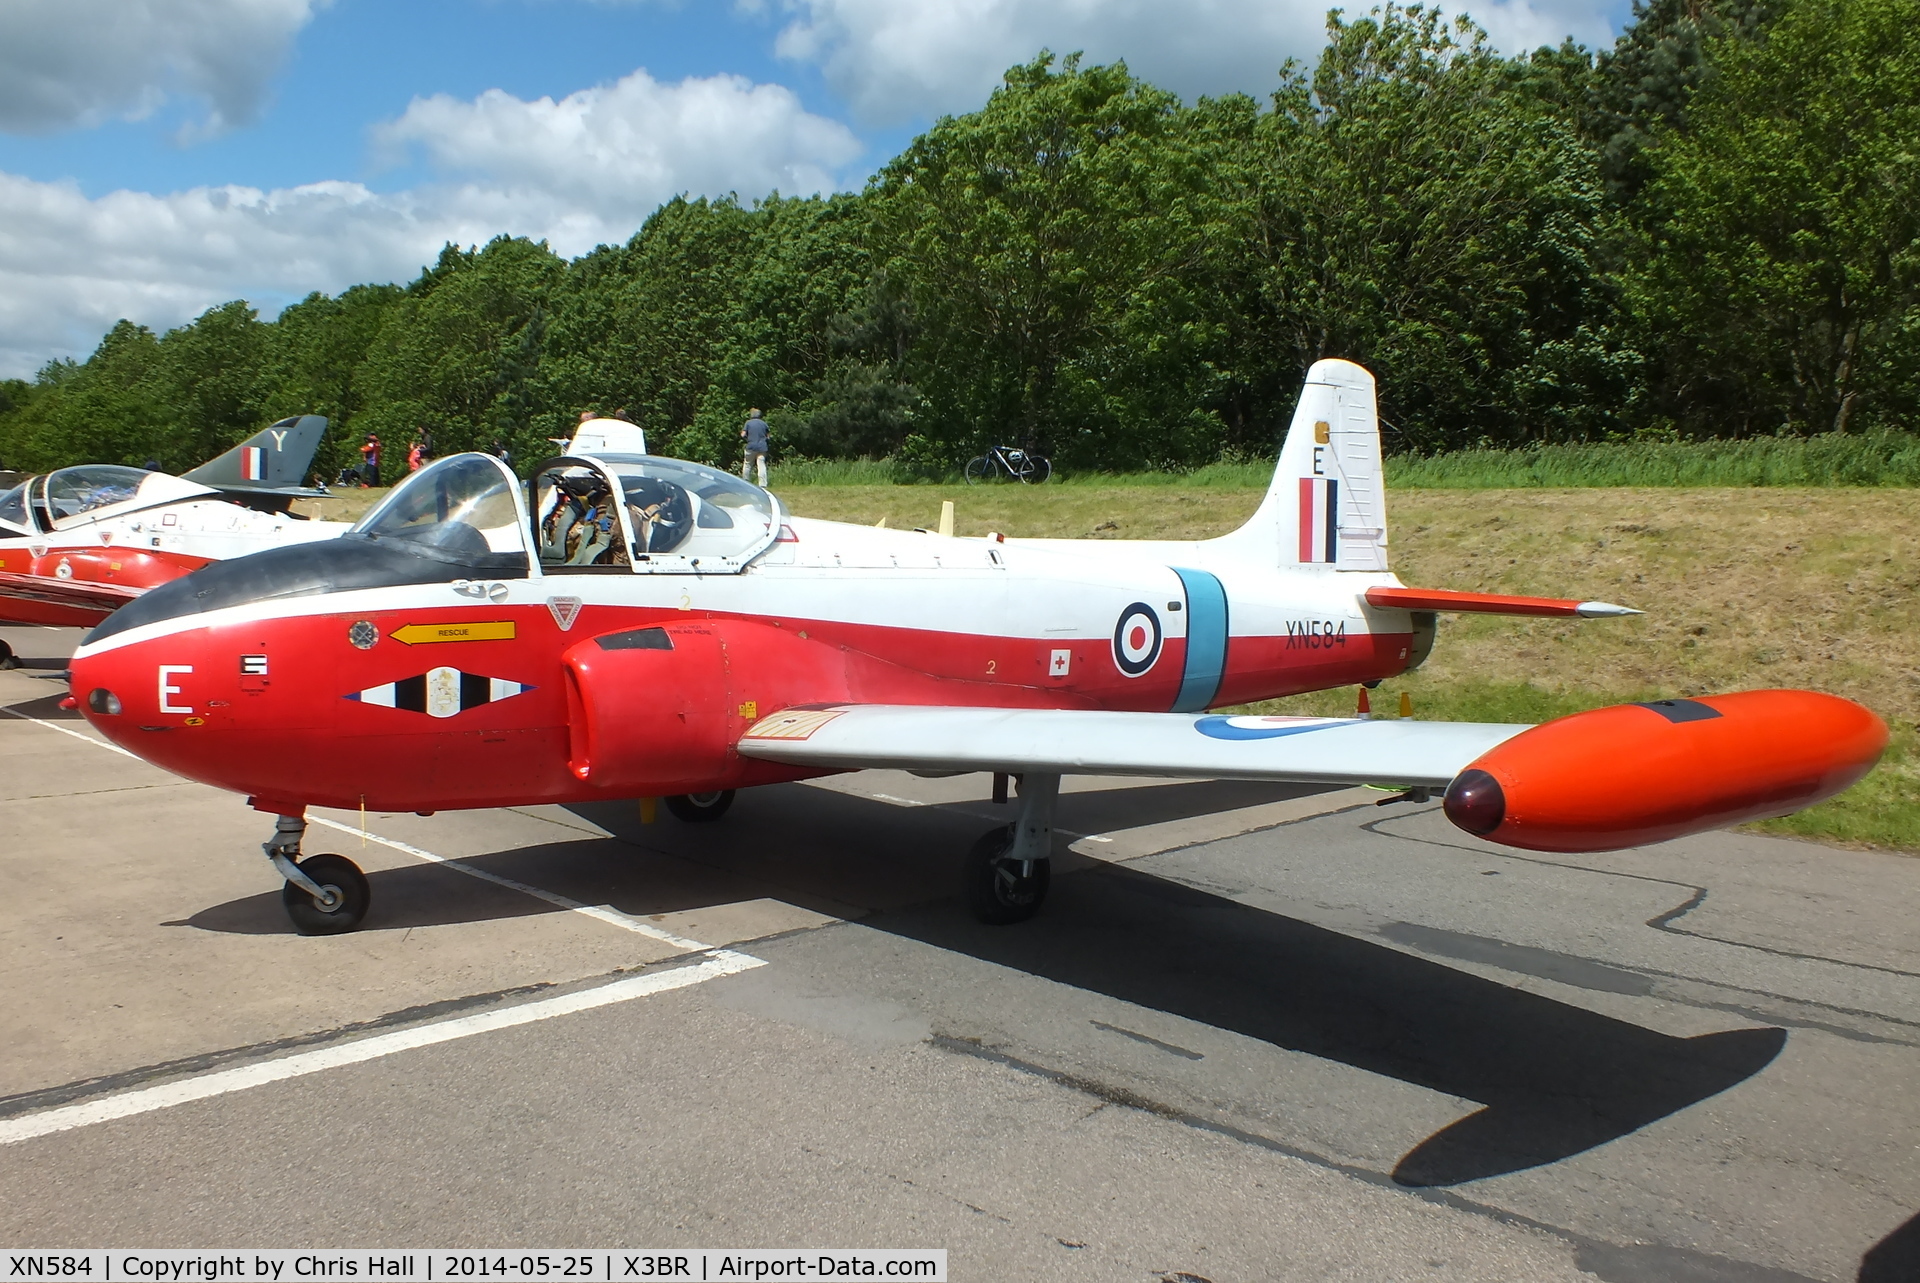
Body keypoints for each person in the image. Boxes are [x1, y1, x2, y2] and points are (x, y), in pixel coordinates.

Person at [741, 407, 769, 486]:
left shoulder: (748, 423)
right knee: (761, 465)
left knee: (747, 464)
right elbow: (768, 436)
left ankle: (745, 482)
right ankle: (763, 484)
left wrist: (747, 437)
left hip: (751, 447)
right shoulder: (764, 423)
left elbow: (743, 434)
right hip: (762, 447)